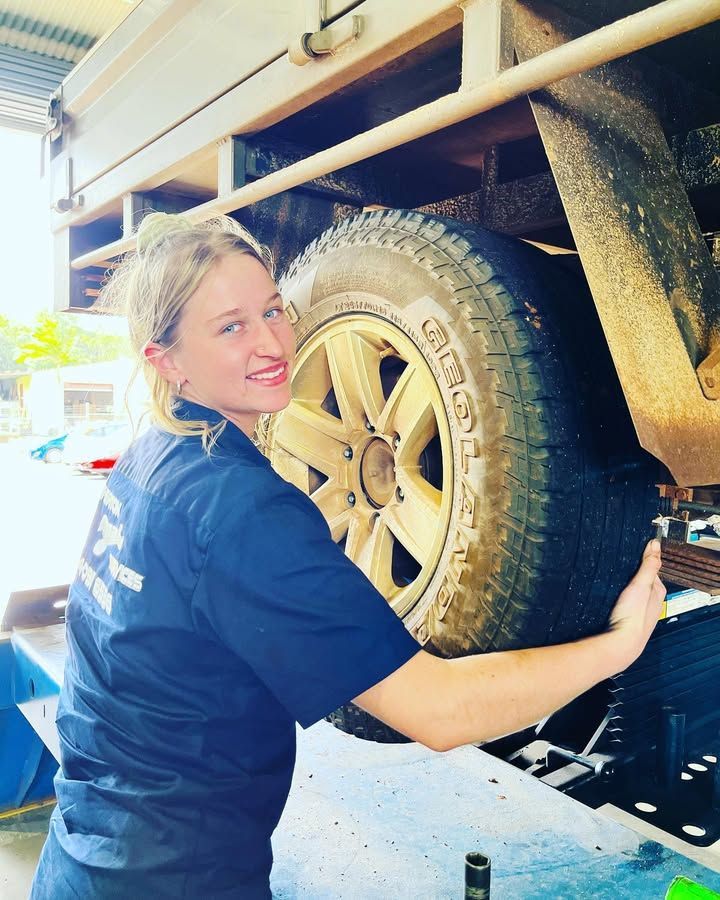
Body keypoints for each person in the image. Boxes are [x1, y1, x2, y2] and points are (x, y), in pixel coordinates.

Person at [31, 213, 666, 899]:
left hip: (86, 854)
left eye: (272, 309)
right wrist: (619, 646)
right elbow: (439, 712)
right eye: (231, 327)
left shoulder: (152, 456)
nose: (272, 341)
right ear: (167, 361)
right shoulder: (241, 510)